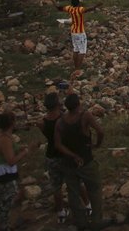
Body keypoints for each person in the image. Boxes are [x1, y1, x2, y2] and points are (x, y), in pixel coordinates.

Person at [55, 92, 107, 229]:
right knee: (94, 189)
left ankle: (80, 221)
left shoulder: (61, 121)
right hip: (86, 160)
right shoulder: (85, 116)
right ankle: (96, 220)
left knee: (73, 192)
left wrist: (72, 155)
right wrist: (97, 145)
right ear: (78, 104)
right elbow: (100, 131)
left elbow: (58, 144)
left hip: (69, 163)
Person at [0, 111, 39, 231]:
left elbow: (8, 150)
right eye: (15, 120)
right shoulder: (5, 139)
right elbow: (11, 160)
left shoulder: (1, 134)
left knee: (3, 197)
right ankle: (2, 225)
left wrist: (20, 147)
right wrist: (27, 151)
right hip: (0, 174)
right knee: (8, 198)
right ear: (12, 122)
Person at [40, 92, 90, 224]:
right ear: (57, 104)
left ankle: (61, 213)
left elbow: (48, 137)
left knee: (56, 186)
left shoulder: (42, 121)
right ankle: (87, 205)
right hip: (65, 154)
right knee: (76, 182)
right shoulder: (64, 119)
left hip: (51, 156)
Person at [57, 0, 101, 73]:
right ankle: (78, 69)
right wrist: (96, 5)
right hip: (80, 32)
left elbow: (59, 8)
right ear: (78, 3)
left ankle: (75, 67)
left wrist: (52, 0)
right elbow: (88, 9)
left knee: (76, 49)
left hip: (73, 31)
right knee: (82, 51)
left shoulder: (70, 8)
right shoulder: (79, 9)